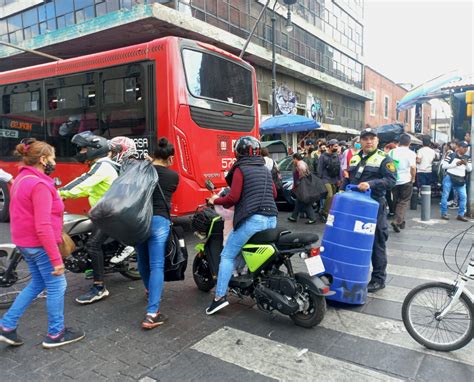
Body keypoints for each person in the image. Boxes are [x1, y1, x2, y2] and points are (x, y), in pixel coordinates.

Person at [0, 138, 84, 348]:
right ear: (43, 159)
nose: (54, 162)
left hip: (24, 243)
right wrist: (56, 260)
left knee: (37, 283)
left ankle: (7, 326)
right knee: (58, 285)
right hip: (39, 245)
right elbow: (43, 225)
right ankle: (56, 333)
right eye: (53, 158)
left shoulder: (22, 178)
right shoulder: (39, 185)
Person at [206, 136, 278, 315]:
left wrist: (215, 200)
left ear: (238, 152)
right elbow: (274, 193)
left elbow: (233, 198)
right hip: (272, 219)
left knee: (227, 255)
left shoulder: (240, 169)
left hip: (254, 220)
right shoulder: (264, 168)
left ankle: (219, 298)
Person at [58, 132, 120, 304]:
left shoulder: (103, 165)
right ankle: (95, 266)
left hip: (109, 214)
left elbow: (82, 182)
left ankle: (99, 288)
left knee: (93, 245)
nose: (82, 151)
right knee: (84, 235)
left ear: (95, 149)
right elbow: (89, 189)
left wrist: (57, 192)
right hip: (102, 212)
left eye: (84, 148)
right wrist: (65, 195)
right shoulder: (100, 165)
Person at [342, 128, 397, 292]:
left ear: (377, 141)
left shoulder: (383, 159)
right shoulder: (355, 159)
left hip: (374, 206)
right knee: (353, 240)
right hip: (355, 206)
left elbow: (391, 180)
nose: (368, 142)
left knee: (377, 242)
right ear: (361, 141)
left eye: (372, 138)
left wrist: (371, 184)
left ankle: (379, 279)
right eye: (365, 139)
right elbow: (349, 179)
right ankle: (353, 273)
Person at [136, 138, 179, 329]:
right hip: (159, 221)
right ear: (170, 158)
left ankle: (149, 290)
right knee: (157, 265)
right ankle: (152, 313)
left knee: (142, 260)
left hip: (138, 221)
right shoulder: (173, 176)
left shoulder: (142, 171)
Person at [389, 134, 417, 232]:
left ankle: (401, 222)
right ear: (409, 143)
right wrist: (413, 178)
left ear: (399, 142)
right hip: (406, 180)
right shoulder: (411, 153)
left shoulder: (392, 152)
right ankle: (397, 221)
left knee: (396, 201)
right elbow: (413, 168)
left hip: (394, 180)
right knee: (404, 201)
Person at [440, 141, 472, 221]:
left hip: (460, 179)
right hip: (449, 177)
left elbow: (470, 169)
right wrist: (456, 164)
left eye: (466, 148)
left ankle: (460, 215)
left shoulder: (467, 158)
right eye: (464, 148)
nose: (465, 149)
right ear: (459, 147)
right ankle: (444, 213)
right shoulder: (451, 155)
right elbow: (443, 166)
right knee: (445, 195)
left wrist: (466, 164)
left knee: (463, 197)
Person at [288, 153, 317, 224]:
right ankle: (293, 216)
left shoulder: (300, 164)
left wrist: (299, 182)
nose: (293, 161)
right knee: (298, 201)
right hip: (303, 185)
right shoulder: (302, 163)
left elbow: (302, 174)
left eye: (293, 159)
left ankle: (312, 218)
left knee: (305, 201)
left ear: (295, 158)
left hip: (302, 185)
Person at [318, 139, 341, 217]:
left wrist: (339, 179)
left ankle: (329, 211)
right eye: (335, 146)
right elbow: (319, 169)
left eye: (337, 146)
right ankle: (324, 211)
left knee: (334, 197)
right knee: (330, 195)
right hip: (325, 178)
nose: (336, 148)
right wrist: (320, 180)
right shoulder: (323, 156)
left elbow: (339, 168)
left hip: (334, 179)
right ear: (330, 146)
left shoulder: (336, 155)